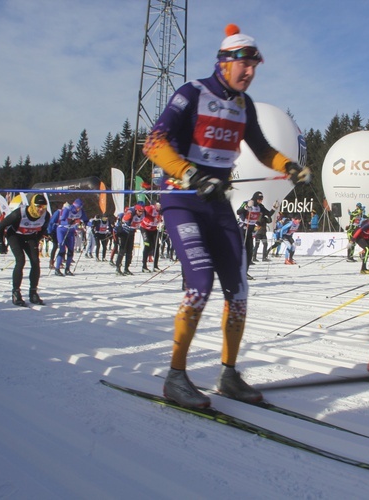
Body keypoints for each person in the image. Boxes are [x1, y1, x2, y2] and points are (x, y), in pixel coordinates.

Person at [142, 23, 311, 408]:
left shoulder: (244, 105)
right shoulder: (192, 93)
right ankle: (176, 376)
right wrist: (189, 173)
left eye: (255, 67)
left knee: (237, 289)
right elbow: (154, 142)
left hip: (216, 204)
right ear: (224, 62)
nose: (250, 73)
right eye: (245, 65)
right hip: (182, 199)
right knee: (199, 284)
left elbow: (263, 148)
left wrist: (289, 165)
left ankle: (229, 374)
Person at [0, 194, 51, 307]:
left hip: (30, 236)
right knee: (21, 261)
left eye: (44, 207)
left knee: (36, 262)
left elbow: (43, 229)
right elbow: (1, 226)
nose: (41, 209)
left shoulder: (46, 216)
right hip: (15, 236)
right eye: (38, 206)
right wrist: (1, 243)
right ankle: (16, 292)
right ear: (32, 205)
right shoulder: (19, 213)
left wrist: (37, 239)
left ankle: (33, 293)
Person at [237, 191, 275, 273]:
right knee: (241, 251)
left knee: (249, 252)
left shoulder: (260, 206)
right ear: (255, 198)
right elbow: (238, 212)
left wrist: (274, 209)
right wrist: (246, 207)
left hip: (250, 230)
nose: (260, 201)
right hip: (243, 228)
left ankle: (244, 272)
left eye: (262, 199)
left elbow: (268, 214)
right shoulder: (246, 202)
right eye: (259, 199)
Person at [54, 198, 86, 276]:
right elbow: (62, 220)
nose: (78, 209)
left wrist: (89, 224)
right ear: (74, 206)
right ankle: (57, 269)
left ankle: (67, 269)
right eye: (77, 207)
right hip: (62, 230)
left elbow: (85, 220)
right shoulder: (67, 209)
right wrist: (70, 221)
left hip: (70, 231)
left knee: (71, 251)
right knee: (62, 250)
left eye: (80, 207)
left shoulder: (81, 211)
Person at [114, 204, 144, 276]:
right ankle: (118, 268)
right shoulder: (131, 213)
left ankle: (126, 268)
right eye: (139, 211)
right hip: (125, 232)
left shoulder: (142, 214)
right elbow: (125, 220)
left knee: (129, 251)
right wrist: (128, 216)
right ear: (136, 210)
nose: (140, 213)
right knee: (122, 250)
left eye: (142, 211)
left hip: (131, 233)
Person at [140, 202, 162, 272]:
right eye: (159, 205)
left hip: (154, 229)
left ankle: (155, 266)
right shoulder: (150, 208)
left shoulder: (161, 211)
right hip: (145, 229)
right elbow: (144, 209)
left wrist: (161, 223)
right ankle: (144, 266)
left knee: (156, 246)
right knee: (147, 245)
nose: (160, 207)